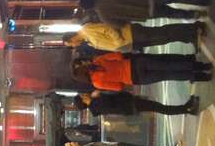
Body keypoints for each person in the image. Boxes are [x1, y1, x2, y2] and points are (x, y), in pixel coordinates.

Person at [71, 52, 212, 91]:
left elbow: (119, 87)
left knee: (168, 75)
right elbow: (119, 55)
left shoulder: (97, 83)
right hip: (135, 63)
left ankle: (202, 77)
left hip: (136, 78)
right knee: (168, 64)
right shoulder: (98, 61)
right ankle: (202, 66)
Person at [78, 0, 208, 27]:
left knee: (170, 13)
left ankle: (193, 15)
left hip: (145, 12)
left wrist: (127, 18)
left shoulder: (103, 15)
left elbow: (118, 25)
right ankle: (201, 0)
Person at [62, 21, 203, 52]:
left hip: (130, 34)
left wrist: (119, 42)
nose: (74, 46)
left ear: (72, 39)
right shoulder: (87, 41)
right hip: (131, 43)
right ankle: (188, 37)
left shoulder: (86, 29)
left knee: (162, 32)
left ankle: (192, 27)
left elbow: (108, 28)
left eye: (71, 44)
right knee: (163, 39)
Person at [73, 91, 199, 117]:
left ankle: (186, 108)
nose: (84, 94)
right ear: (84, 101)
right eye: (82, 96)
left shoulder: (95, 105)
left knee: (159, 107)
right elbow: (111, 103)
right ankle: (187, 108)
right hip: (131, 105)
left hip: (130, 104)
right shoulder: (96, 105)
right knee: (160, 108)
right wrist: (100, 95)